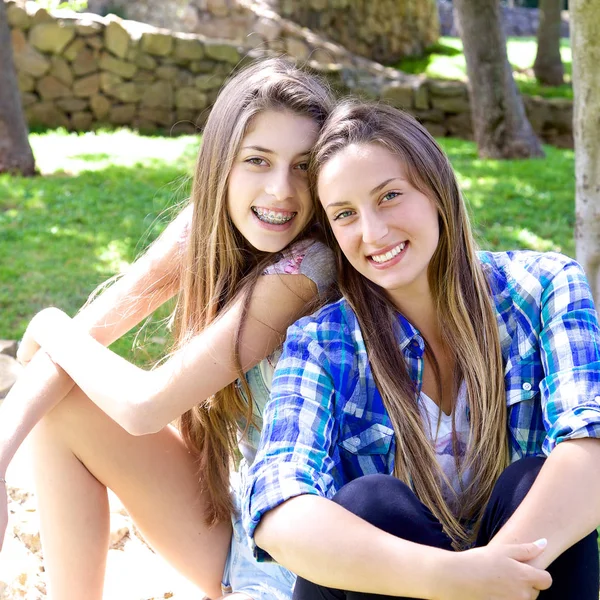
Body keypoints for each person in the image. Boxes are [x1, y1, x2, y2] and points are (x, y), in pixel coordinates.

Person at [2, 58, 337, 600]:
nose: (281, 191)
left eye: (303, 166)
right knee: (64, 403)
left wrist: (47, 322)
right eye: (258, 160)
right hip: (237, 521)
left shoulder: (309, 269)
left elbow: (144, 406)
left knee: (73, 367)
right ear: (221, 165)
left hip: (305, 563)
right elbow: (77, 346)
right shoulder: (209, 229)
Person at [244, 101, 600, 600]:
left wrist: (495, 573)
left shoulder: (544, 290)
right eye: (345, 214)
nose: (373, 233)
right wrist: (455, 580)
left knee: (534, 482)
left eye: (389, 196)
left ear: (436, 189)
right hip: (396, 589)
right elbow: (279, 506)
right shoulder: (322, 343)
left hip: (520, 580)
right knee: (371, 504)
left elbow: (592, 448)